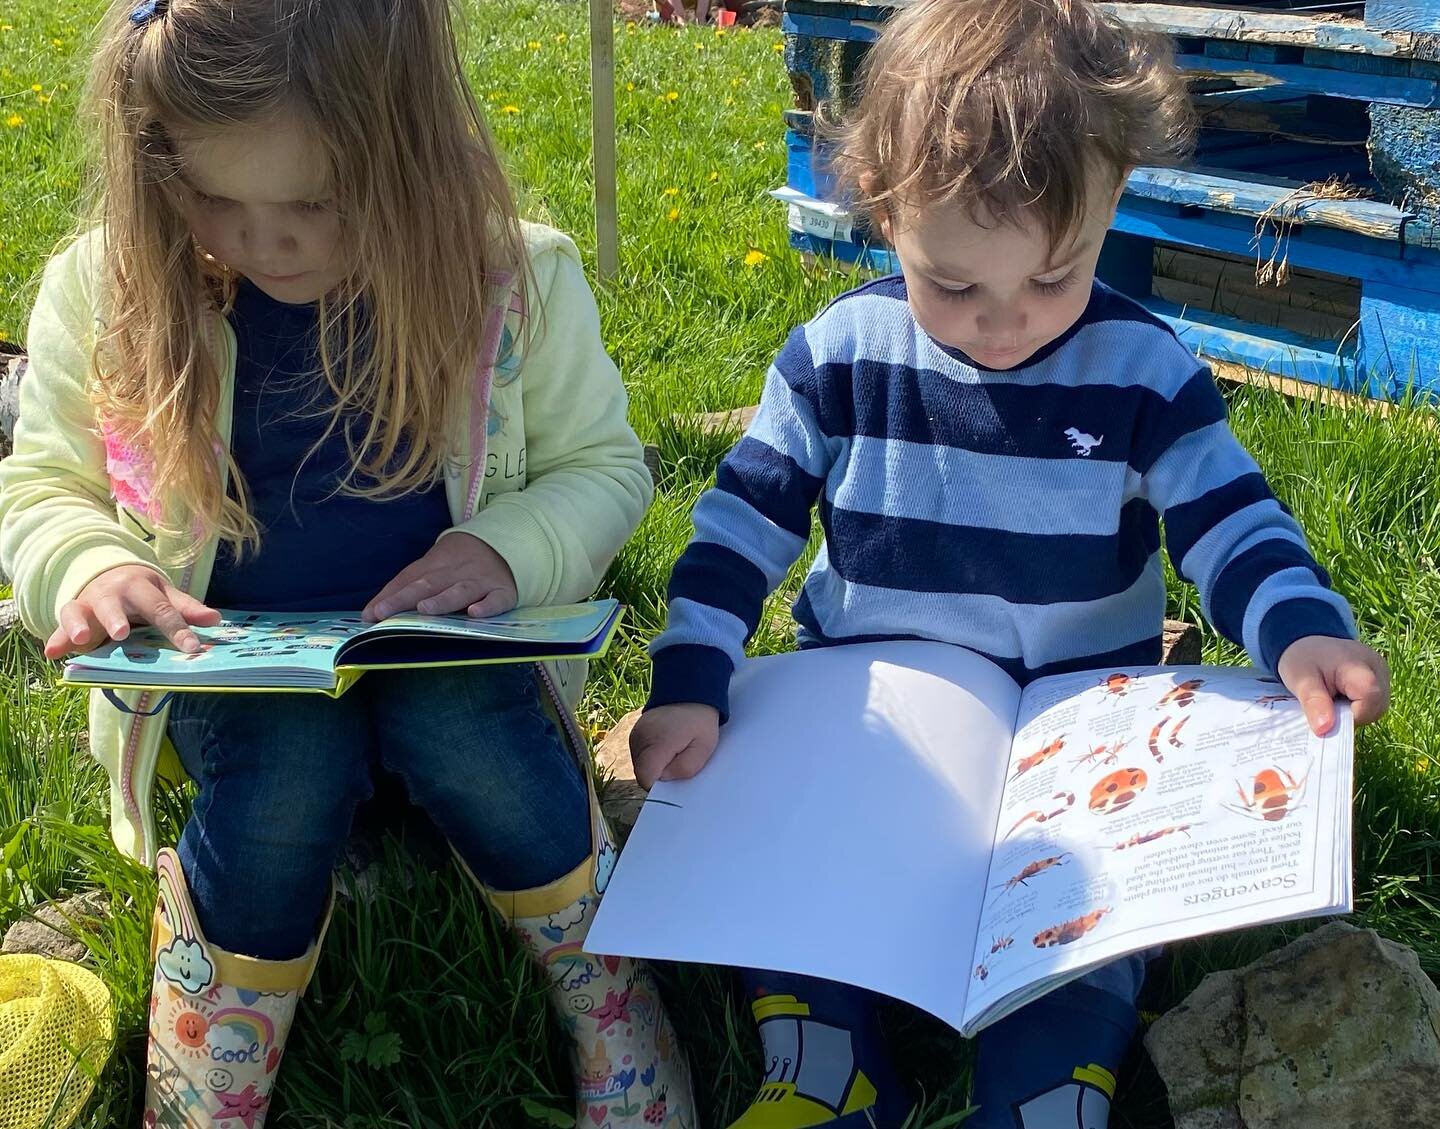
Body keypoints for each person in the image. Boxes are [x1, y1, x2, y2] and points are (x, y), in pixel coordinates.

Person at [629, 0, 1390, 1125]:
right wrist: (692, 675)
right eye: (954, 285)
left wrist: (1302, 627)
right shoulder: (834, 359)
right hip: (870, 720)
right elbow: (739, 528)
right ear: (883, 211)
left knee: (1086, 920)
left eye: (1052, 278)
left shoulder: (1143, 369)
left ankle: (1046, 1091)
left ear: (1113, 199)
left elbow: (1230, 519)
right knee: (797, 884)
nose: (1003, 326)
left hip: (1081, 736)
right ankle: (827, 1074)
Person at [0, 1, 695, 1124]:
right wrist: (87, 563)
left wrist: (505, 546)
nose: (263, 241)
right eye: (212, 197)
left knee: (467, 726)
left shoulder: (510, 278)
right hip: (235, 669)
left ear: (410, 152)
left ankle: (603, 985)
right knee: (281, 775)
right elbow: (42, 484)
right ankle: (219, 1041)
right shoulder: (111, 289)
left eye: (313, 205)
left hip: (448, 652)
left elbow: (602, 467)